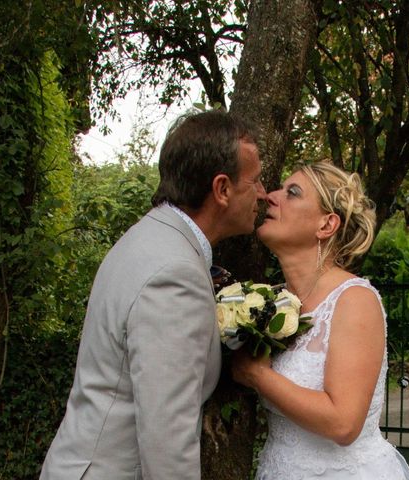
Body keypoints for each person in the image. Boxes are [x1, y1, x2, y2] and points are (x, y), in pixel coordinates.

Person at [40, 110, 266, 480]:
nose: (262, 193)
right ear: (222, 189)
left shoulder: (151, 238)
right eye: (254, 181)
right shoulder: (175, 273)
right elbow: (167, 440)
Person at [233, 161, 409, 479]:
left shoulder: (354, 300)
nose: (271, 197)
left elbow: (343, 423)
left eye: (292, 193)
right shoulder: (272, 304)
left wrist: (257, 376)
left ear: (326, 225)